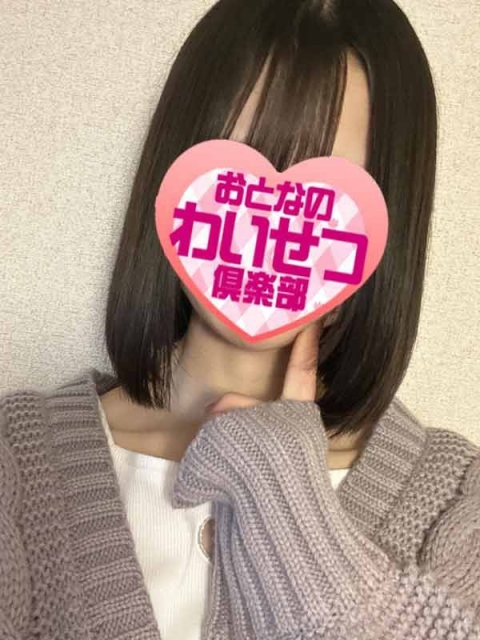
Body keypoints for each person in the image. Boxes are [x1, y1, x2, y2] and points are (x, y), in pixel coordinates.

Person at [1, 0, 479, 639]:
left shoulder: (461, 505)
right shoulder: (15, 465)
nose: (270, 220)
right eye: (238, 165)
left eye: (324, 192)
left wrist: (283, 494)